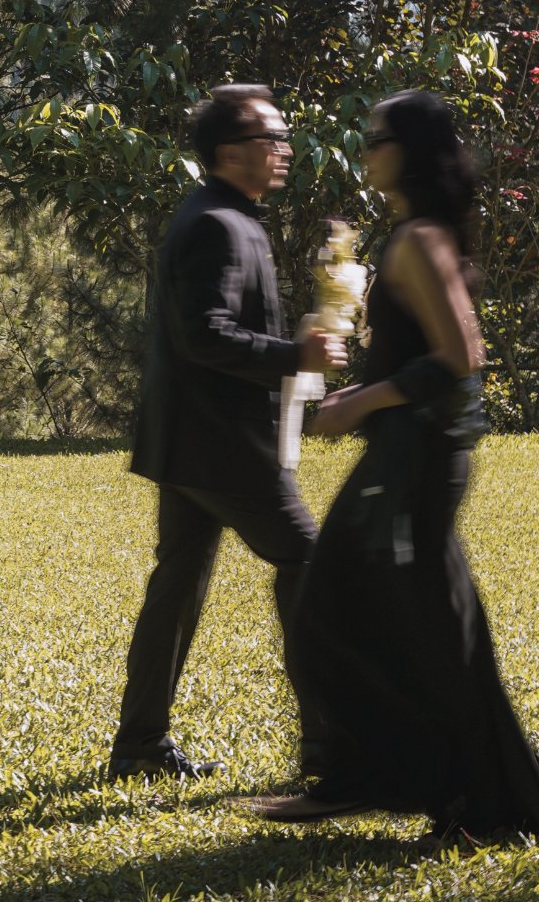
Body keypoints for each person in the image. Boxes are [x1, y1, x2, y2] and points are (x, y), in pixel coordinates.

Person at [243, 90, 539, 846]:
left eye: (377, 140)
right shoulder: (412, 235)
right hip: (412, 456)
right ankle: (416, 787)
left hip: (416, 462)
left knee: (337, 615)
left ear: (409, 151)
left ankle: (437, 794)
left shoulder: (417, 240)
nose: (366, 152)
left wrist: (363, 401)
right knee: (421, 627)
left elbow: (463, 356)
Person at [107, 83, 346, 783]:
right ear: (229, 152)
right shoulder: (216, 223)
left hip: (189, 442)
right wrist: (295, 356)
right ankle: (329, 748)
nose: (284, 150)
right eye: (271, 139)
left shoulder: (226, 216)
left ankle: (141, 746)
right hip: (222, 445)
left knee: (177, 586)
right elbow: (204, 335)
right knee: (312, 566)